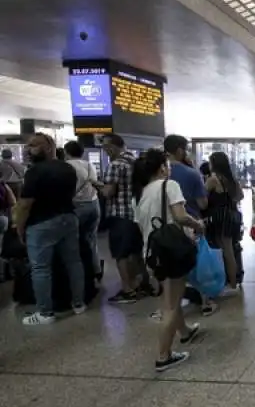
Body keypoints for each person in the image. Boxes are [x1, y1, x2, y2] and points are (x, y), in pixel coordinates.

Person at [133, 149, 205, 372]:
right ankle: (164, 356)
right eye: (167, 164)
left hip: (153, 253)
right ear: (162, 168)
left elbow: (140, 226)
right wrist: (198, 225)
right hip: (171, 251)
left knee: (171, 295)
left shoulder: (142, 192)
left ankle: (184, 331)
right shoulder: (169, 185)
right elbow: (180, 216)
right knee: (171, 305)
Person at [15, 133, 86, 325]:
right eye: (28, 146)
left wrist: (19, 227)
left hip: (42, 223)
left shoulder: (34, 172)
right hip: (69, 218)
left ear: (48, 147)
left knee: (40, 268)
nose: (29, 149)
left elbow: (24, 204)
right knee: (73, 262)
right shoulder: (68, 169)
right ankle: (79, 304)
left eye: (34, 145)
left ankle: (45, 313)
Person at [164, 134, 217, 316]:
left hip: (163, 227)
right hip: (189, 223)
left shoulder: (157, 173)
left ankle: (169, 307)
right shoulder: (191, 173)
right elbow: (202, 204)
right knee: (197, 264)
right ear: (179, 150)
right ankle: (205, 302)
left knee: (170, 270)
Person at [101, 133, 153, 304]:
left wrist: (96, 185)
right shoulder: (136, 162)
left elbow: (109, 192)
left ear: (113, 147)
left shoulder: (116, 165)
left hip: (120, 214)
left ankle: (128, 289)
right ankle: (144, 283)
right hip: (137, 214)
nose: (106, 152)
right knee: (136, 251)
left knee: (121, 254)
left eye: (107, 148)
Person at [206, 151, 244, 294]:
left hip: (220, 218)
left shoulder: (213, 179)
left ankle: (231, 284)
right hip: (232, 215)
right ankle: (234, 281)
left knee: (225, 251)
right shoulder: (231, 179)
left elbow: (203, 197)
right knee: (231, 249)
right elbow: (240, 196)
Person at [64, 140, 103, 281]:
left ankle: (80, 274)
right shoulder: (88, 164)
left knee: (74, 242)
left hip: (77, 206)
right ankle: (96, 270)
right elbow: (94, 181)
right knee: (92, 239)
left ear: (66, 152)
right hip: (94, 204)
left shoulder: (66, 166)